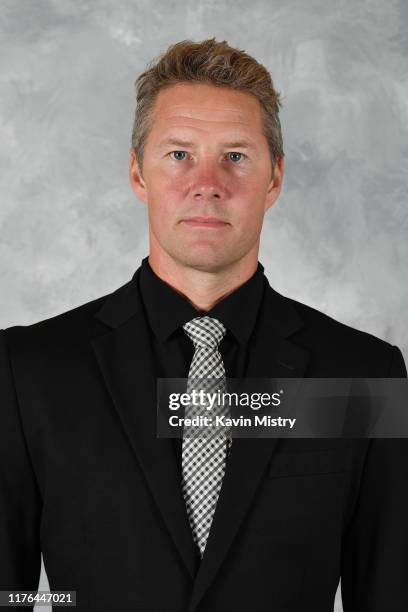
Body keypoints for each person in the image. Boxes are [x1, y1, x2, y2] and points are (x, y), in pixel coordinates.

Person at [0, 37, 407, 612]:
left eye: (236, 155)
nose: (208, 182)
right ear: (138, 173)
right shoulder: (27, 371)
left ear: (274, 179)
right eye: (179, 154)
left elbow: (388, 592)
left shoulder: (365, 375)